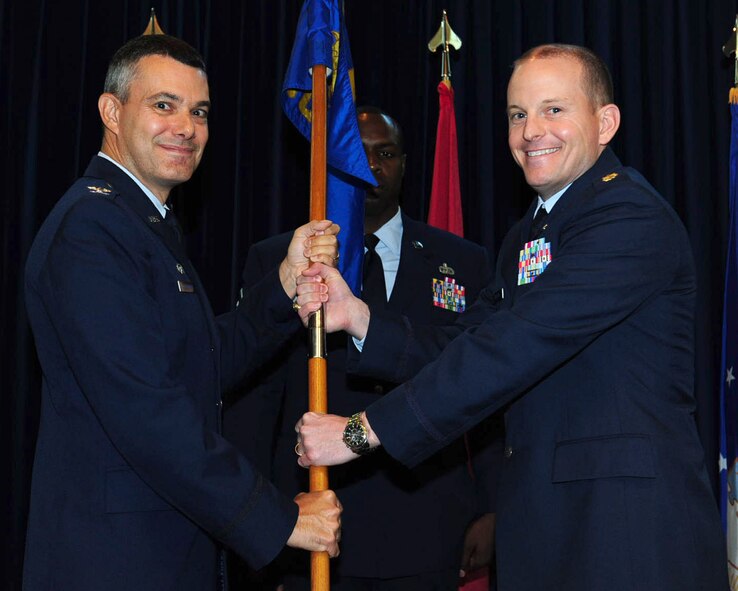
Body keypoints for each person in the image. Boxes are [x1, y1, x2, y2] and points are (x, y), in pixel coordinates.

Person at [293, 44, 728, 590]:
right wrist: (357, 318)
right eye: (518, 114)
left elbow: (511, 349)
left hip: (624, 537)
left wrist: (361, 433)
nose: (531, 132)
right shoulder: (530, 233)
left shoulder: (628, 218)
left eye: (554, 110)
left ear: (606, 122)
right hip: (544, 534)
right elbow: (468, 341)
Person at [22, 34, 342, 591]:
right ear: (112, 112)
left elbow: (196, 366)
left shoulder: (141, 224)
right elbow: (148, 411)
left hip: (160, 552)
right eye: (163, 105)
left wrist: (284, 286)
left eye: (199, 112)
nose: (186, 127)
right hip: (116, 564)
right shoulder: (93, 231)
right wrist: (279, 518)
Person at [224, 106, 502, 590]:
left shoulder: (463, 260)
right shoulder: (282, 259)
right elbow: (253, 400)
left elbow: (486, 392)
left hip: (429, 518)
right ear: (332, 163)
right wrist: (258, 518)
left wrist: (491, 507)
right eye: (358, 154)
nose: (372, 167)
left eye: (386, 153)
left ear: (405, 163)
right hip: (314, 516)